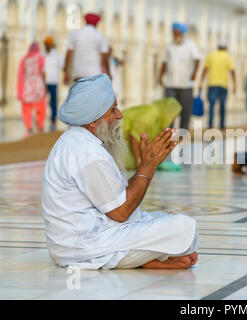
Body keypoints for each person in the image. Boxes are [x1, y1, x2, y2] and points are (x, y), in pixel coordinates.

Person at [41, 74, 199, 270]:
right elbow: (121, 212)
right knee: (183, 228)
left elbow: (118, 199)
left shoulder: (77, 142)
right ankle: (140, 260)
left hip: (77, 243)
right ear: (93, 120)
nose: (120, 116)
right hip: (84, 248)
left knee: (159, 219)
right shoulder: (87, 153)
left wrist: (147, 165)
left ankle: (145, 259)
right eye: (112, 110)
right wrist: (148, 166)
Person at [159, 22, 201, 130]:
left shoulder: (190, 45)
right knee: (169, 111)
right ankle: (169, 134)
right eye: (174, 33)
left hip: (186, 84)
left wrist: (194, 73)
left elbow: (197, 59)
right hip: (170, 84)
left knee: (186, 111)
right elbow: (164, 62)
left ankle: (183, 132)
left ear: (182, 34)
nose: (176, 35)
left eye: (178, 33)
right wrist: (160, 76)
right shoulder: (169, 45)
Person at [122, 98, 182, 171]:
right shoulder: (152, 111)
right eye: (174, 116)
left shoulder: (158, 122)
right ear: (168, 111)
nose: (173, 120)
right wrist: (139, 162)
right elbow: (134, 136)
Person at [200, 38, 236, 129]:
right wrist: (235, 84)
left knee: (211, 105)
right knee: (222, 106)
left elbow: (205, 69)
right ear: (226, 47)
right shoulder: (228, 57)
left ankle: (210, 125)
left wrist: (201, 81)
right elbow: (232, 71)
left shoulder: (211, 55)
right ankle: (222, 125)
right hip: (223, 85)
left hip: (212, 84)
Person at [64, 13, 110, 84]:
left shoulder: (75, 34)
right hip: (94, 74)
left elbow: (68, 54)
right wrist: (108, 72)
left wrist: (66, 72)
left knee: (79, 94)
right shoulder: (99, 36)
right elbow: (105, 56)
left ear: (85, 22)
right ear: (96, 24)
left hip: (78, 73)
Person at [17, 42, 46, 136]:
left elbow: (20, 75)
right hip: (38, 85)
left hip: (27, 86)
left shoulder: (24, 59)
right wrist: (44, 83)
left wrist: (20, 90)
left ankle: (29, 128)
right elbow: (43, 72)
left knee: (26, 108)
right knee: (41, 107)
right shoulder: (40, 58)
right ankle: (40, 126)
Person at [43, 36, 64, 132]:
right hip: (43, 82)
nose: (47, 46)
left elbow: (62, 65)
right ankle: (41, 119)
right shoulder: (42, 55)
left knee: (53, 101)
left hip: (53, 81)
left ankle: (53, 120)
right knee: (43, 102)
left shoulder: (56, 55)